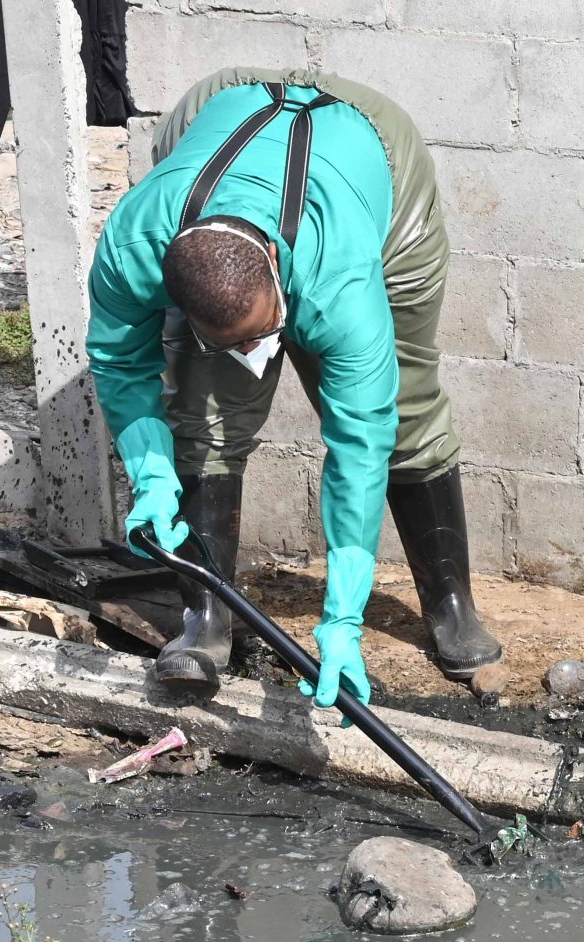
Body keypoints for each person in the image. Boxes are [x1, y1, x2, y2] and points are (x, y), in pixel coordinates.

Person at [87, 68, 503, 705]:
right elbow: (119, 361)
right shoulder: (135, 243)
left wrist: (341, 620)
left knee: (406, 414)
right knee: (205, 410)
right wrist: (149, 470)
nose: (255, 357)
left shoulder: (341, 288)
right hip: (222, 107)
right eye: (235, 342)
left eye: (261, 334)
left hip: (374, 155)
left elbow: (358, 445)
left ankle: (451, 603)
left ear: (277, 272)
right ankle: (205, 618)